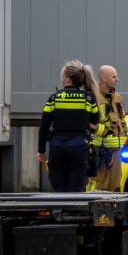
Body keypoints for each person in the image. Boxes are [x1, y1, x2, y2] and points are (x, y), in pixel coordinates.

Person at [37, 61, 101, 192]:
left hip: (57, 146)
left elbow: (44, 126)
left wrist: (41, 150)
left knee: (58, 189)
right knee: (75, 189)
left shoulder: (54, 98)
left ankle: (60, 211)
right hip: (79, 146)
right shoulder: (88, 99)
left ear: (68, 79)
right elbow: (95, 120)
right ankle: (73, 212)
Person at [91, 65, 128, 192]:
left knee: (115, 187)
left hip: (116, 153)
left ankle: (114, 212)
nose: (117, 79)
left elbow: (121, 120)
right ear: (104, 78)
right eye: (114, 76)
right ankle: (95, 212)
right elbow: (90, 123)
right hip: (100, 153)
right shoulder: (93, 97)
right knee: (100, 187)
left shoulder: (117, 98)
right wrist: (105, 132)